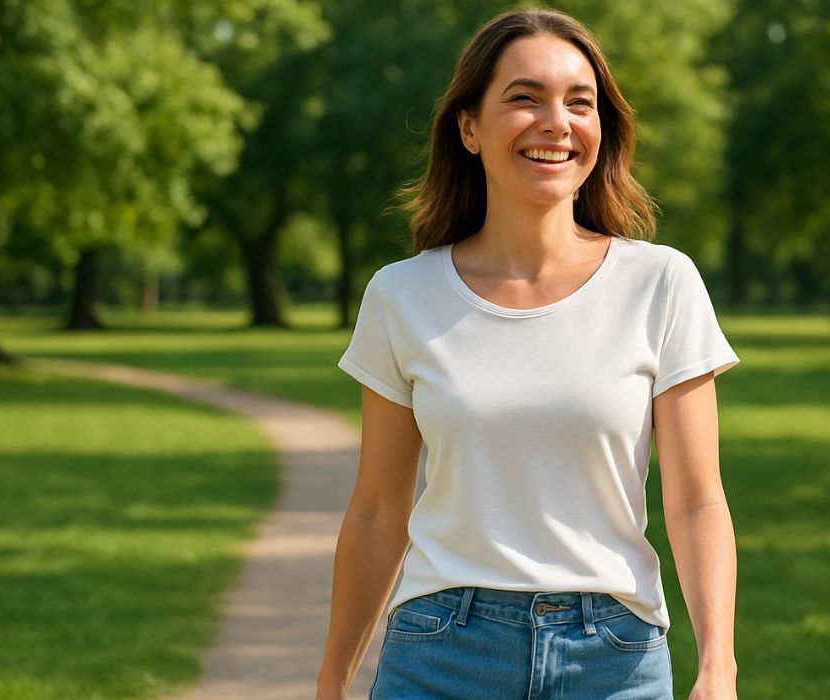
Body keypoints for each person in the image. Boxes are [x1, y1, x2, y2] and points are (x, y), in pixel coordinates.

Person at [316, 8, 740, 699]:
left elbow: (695, 500)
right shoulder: (401, 295)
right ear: (470, 128)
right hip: (440, 654)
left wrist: (718, 666)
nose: (557, 122)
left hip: (614, 658)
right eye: (524, 98)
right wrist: (331, 682)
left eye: (580, 102)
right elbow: (376, 512)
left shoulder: (661, 283)